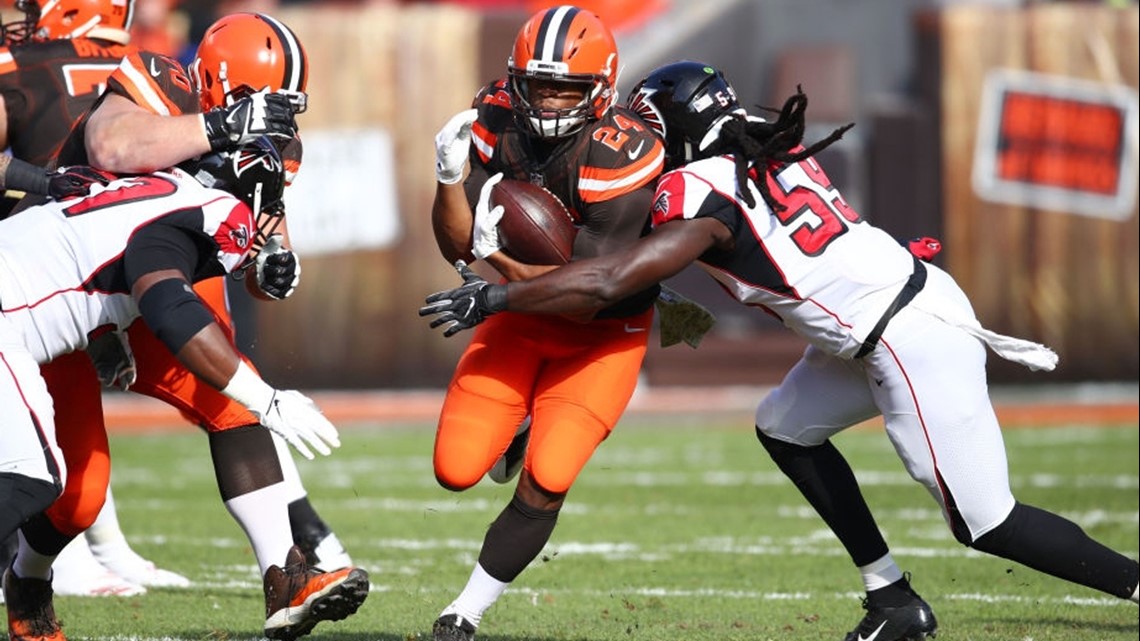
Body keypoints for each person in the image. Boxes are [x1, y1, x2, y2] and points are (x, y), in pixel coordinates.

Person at [421, 60, 1140, 641]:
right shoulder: (768, 150)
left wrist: (498, 293)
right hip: (884, 312)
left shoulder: (696, 193)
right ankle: (891, 596)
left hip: (903, 337)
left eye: (649, 123)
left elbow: (611, 275)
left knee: (985, 520)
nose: (638, 138)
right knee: (783, 426)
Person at [5, 9, 368, 640]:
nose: (275, 120)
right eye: (261, 103)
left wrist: (275, 259)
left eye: (286, 105)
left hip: (145, 274)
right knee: (75, 493)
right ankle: (29, 580)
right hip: (74, 285)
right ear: (216, 84)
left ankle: (287, 574)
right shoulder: (158, 77)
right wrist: (216, 125)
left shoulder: (271, 143)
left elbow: (254, 230)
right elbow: (113, 147)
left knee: (238, 402)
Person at [426, 5, 664, 640]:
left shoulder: (621, 151)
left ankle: (465, 611)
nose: (551, 100)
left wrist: (495, 263)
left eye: (568, 87)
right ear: (515, 78)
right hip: (520, 319)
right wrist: (450, 181)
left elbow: (586, 291)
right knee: (454, 470)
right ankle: (519, 422)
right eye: (539, 84)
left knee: (550, 475)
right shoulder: (496, 116)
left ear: (602, 88)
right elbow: (456, 248)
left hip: (603, 333)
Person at [0, 0, 193, 596]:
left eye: (32, 6)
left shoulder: (18, 64)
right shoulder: (140, 67)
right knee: (43, 460)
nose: (21, 17)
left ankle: (79, 553)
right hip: (68, 282)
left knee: (48, 462)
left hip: (42, 278)